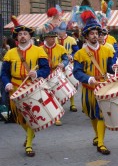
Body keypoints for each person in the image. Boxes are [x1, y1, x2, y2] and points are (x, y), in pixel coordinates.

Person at [0, 20, 50, 157]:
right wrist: (6, 83)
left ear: (30, 36)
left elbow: (46, 69)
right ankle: (30, 134)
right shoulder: (10, 53)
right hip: (15, 88)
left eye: (25, 34)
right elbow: (4, 73)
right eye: (20, 34)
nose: (23, 36)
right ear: (16, 37)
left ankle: (28, 144)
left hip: (32, 87)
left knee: (30, 117)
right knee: (18, 117)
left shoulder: (39, 50)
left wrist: (37, 73)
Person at [73, 12, 117, 155]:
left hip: (103, 88)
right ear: (86, 36)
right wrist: (88, 78)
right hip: (88, 88)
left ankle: (101, 143)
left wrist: (115, 68)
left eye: (96, 33)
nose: (94, 35)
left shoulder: (107, 50)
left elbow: (110, 67)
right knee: (92, 114)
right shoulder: (79, 53)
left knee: (101, 115)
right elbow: (76, 72)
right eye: (91, 33)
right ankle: (97, 135)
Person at [42, 30, 69, 126]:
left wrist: (63, 64)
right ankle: (51, 114)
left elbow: (66, 59)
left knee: (57, 95)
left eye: (54, 37)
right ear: (45, 38)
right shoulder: (40, 49)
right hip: (44, 74)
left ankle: (57, 116)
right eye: (50, 37)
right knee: (47, 96)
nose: (53, 39)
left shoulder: (61, 48)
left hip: (56, 73)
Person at [56, 21, 79, 112]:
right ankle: (59, 104)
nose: (60, 32)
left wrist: (72, 56)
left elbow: (76, 51)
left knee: (71, 83)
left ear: (65, 30)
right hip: (58, 65)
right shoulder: (54, 40)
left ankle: (72, 103)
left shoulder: (71, 40)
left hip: (69, 65)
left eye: (61, 30)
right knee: (58, 85)